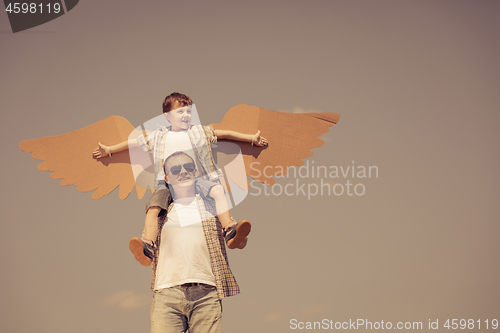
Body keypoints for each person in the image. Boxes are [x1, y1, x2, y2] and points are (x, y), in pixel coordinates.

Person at [92, 92, 267, 265]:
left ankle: (229, 228)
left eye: (189, 111)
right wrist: (109, 150)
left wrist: (251, 138)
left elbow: (225, 134)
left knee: (217, 190)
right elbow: (134, 143)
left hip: (197, 178)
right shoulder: (158, 136)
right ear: (167, 116)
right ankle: (147, 245)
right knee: (153, 208)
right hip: (167, 182)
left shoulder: (199, 132)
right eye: (180, 112)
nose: (186, 115)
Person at [149, 151, 240, 333]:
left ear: (196, 171)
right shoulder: (162, 212)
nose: (183, 171)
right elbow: (147, 239)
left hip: (206, 294)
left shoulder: (212, 205)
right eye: (176, 169)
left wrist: (239, 237)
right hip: (167, 293)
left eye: (188, 167)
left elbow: (237, 241)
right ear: (167, 177)